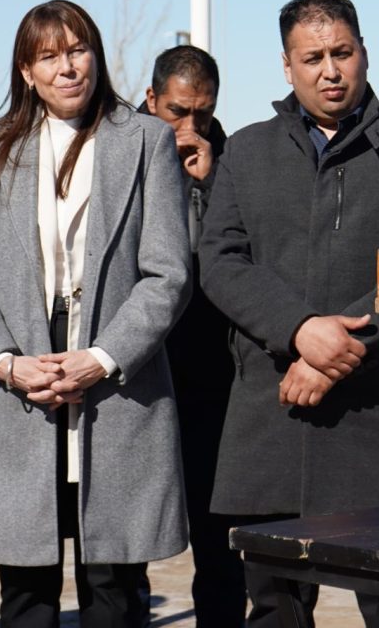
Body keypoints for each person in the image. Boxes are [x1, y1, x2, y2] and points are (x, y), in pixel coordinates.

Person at [200, 0, 379, 628]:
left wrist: (330, 357)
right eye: (312, 57)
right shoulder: (247, 150)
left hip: (378, 421)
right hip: (272, 416)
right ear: (287, 67)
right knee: (273, 609)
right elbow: (220, 261)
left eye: (342, 52)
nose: (330, 70)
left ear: (364, 53)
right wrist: (297, 331)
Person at [0, 0, 190, 628]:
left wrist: (103, 357)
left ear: (96, 55)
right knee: (25, 589)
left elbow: (168, 273)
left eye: (77, 49)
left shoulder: (146, 138)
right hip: (20, 374)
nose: (67, 67)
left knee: (113, 584)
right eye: (48, 56)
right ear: (26, 71)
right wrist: (4, 363)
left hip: (114, 372)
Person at [143, 44, 246, 626]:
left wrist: (206, 189)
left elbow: (228, 262)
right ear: (152, 98)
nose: (189, 127)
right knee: (123, 545)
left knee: (218, 538)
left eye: (202, 114)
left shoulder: (227, 158)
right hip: (132, 372)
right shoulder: (117, 145)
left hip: (207, 371)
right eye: (177, 112)